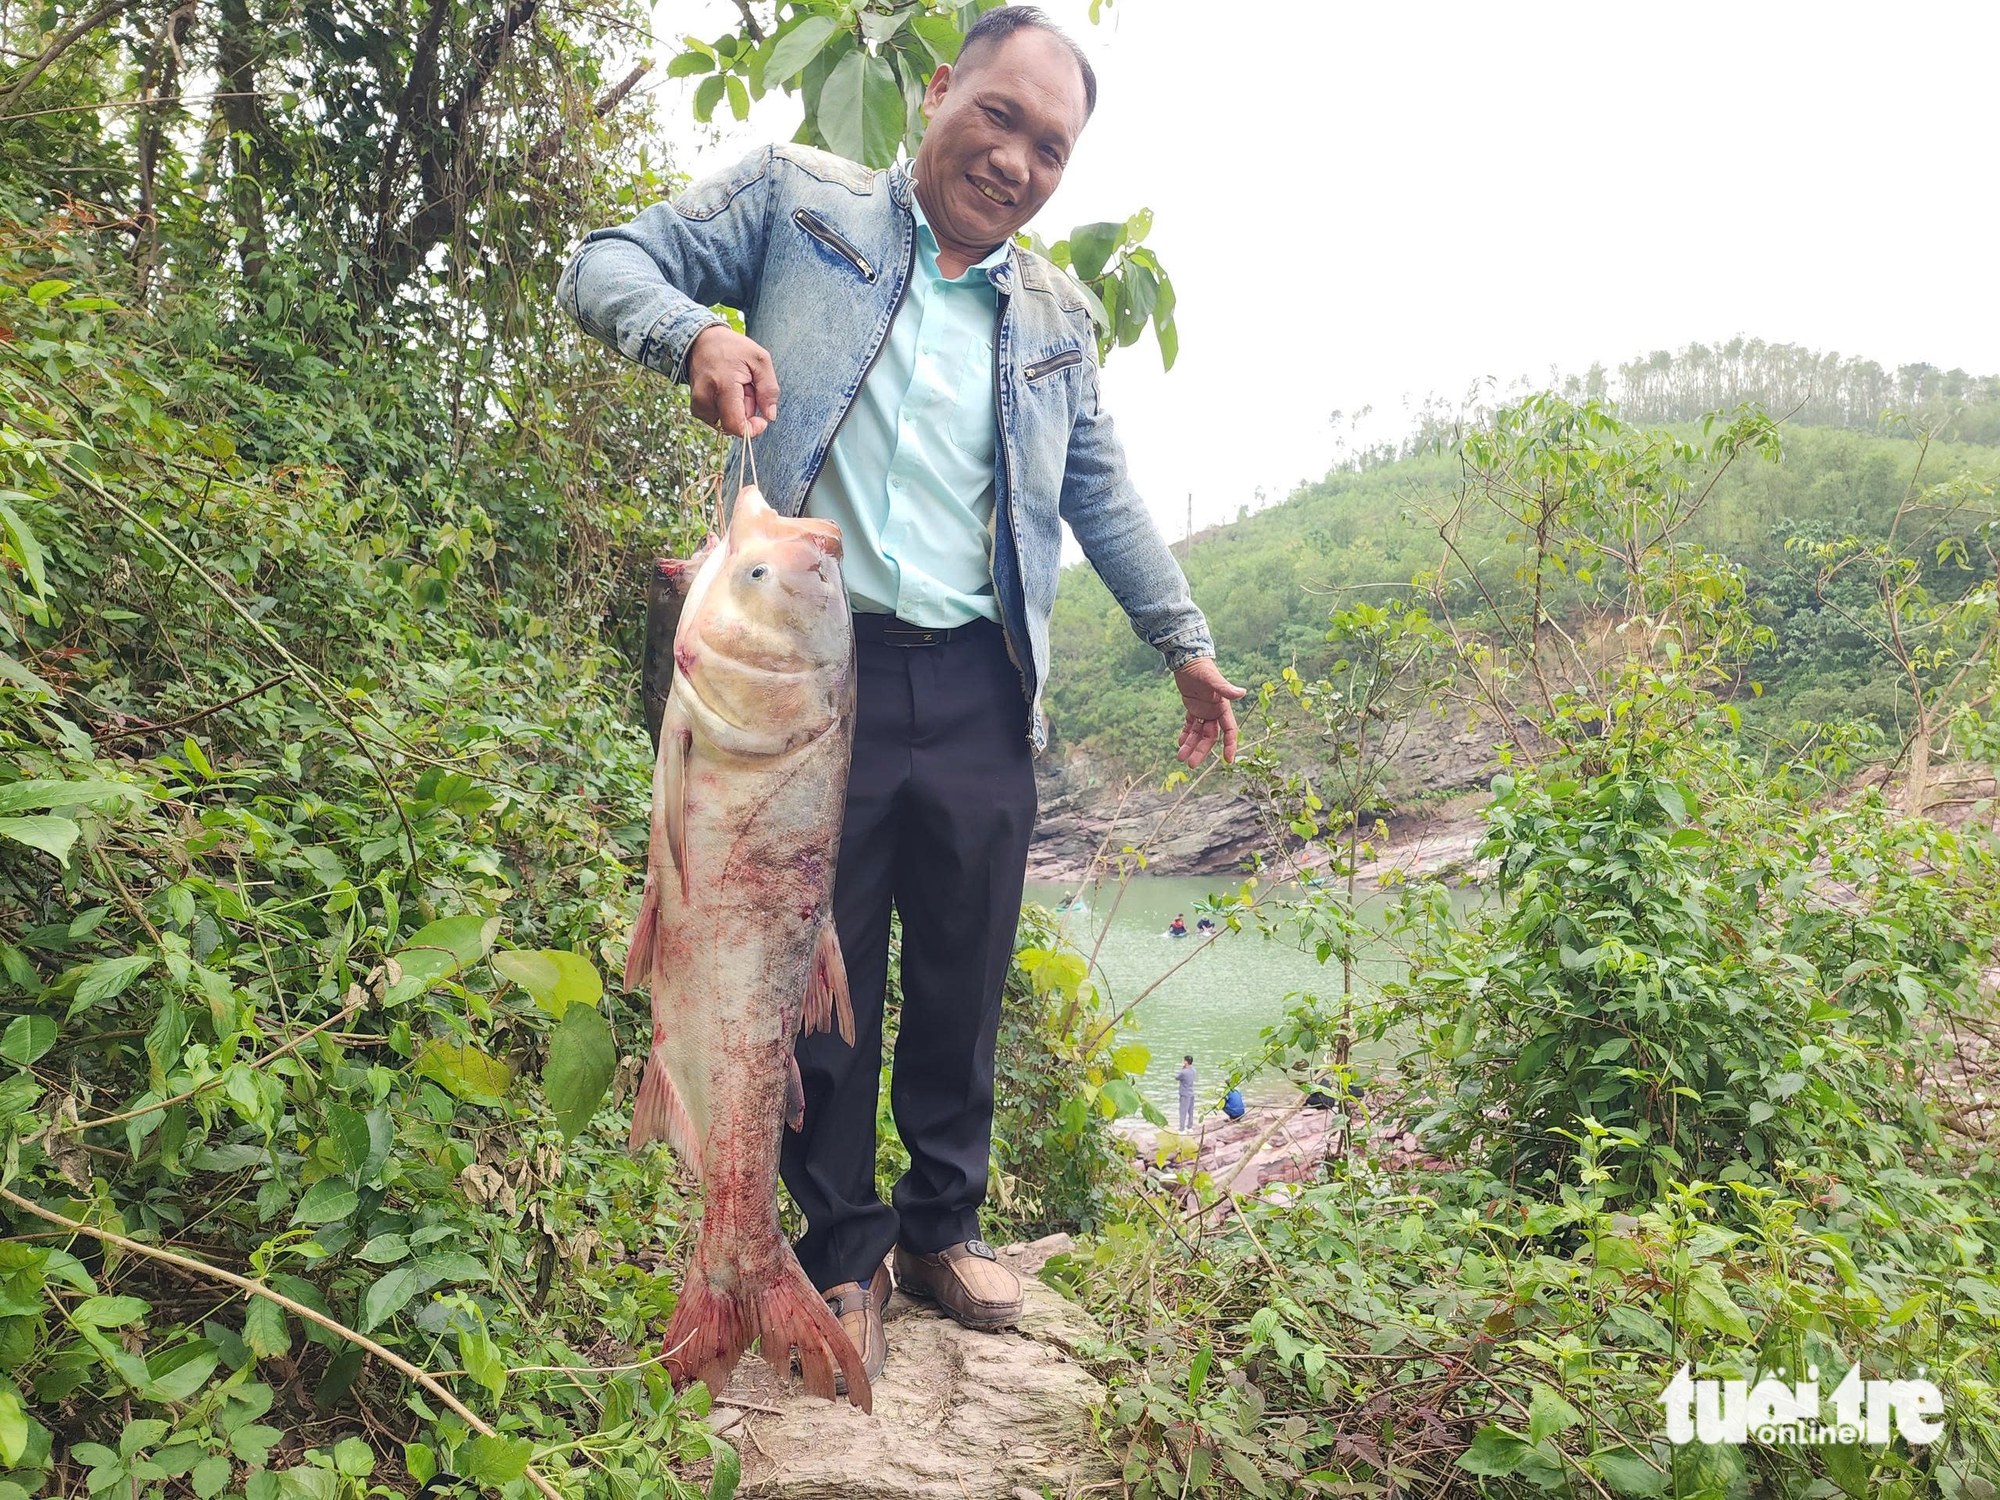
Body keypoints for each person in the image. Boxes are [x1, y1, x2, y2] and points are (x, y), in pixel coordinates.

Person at [559, 7, 1245, 1389]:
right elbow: (603, 261)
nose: (1017, 161)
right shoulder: (794, 201)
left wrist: (1182, 637)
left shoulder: (1056, 312)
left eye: (1052, 148)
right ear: (939, 90)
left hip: (982, 682)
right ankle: (838, 1253)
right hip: (813, 665)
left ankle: (943, 1225)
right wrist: (694, 332)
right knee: (819, 972)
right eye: (998, 116)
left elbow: (1095, 489)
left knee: (962, 966)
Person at [1176, 1055, 1196, 1133]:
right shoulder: (1194, 1070)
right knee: (1190, 1111)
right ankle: (1189, 1127)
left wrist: (1183, 1068)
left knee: (1183, 1111)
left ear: (1186, 1062)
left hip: (1184, 1094)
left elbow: (1177, 1077)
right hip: (1191, 1092)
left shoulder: (1183, 1072)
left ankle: (1181, 1129)